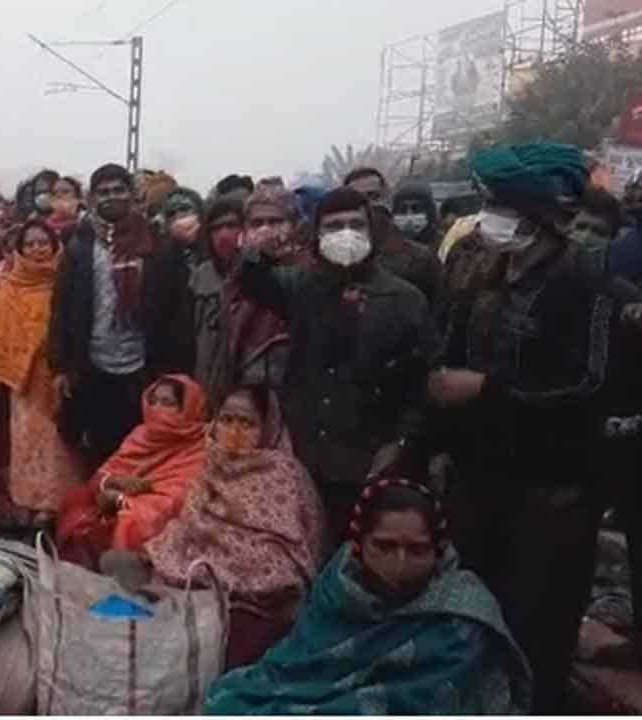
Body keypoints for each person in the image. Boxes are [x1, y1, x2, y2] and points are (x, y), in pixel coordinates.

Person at [431, 142, 633, 712]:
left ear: (538, 218)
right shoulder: (487, 275)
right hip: (480, 476)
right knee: (475, 612)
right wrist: (442, 443)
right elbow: (454, 353)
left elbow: (589, 386)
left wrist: (488, 392)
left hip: (553, 492)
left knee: (536, 630)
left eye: (501, 207)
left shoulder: (589, 287)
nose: (489, 218)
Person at [205, 479, 531, 715]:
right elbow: (299, 663)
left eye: (417, 550)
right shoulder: (339, 588)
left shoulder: (461, 619)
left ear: (438, 550)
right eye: (385, 546)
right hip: (312, 695)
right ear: (360, 546)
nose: (399, 563)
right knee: (227, 699)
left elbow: (427, 700)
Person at [238, 187, 439, 541]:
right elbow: (253, 283)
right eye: (334, 226)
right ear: (316, 234)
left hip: (370, 458)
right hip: (306, 453)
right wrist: (262, 253)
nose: (346, 234)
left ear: (371, 231)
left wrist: (402, 443)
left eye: (355, 224)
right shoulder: (300, 286)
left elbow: (421, 385)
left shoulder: (405, 300)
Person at [143, 385, 324, 668]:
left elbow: (292, 548)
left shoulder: (284, 473)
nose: (234, 431)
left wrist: (231, 552)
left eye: (247, 423)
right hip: (200, 569)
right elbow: (192, 520)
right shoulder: (211, 463)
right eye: (227, 420)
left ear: (268, 429)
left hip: (259, 592)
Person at [50, 163, 190, 467]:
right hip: (93, 362)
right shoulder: (79, 245)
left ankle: (134, 512)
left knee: (141, 448)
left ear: (131, 195)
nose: (111, 197)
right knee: (99, 448)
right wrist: (61, 365)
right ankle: (107, 508)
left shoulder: (157, 245)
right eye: (103, 192)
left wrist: (171, 368)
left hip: (144, 362)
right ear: (91, 199)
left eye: (119, 190)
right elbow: (62, 305)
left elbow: (176, 309)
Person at [0, 220, 84, 524]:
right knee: (25, 438)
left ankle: (56, 503)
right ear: (20, 250)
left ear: (54, 245)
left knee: (57, 439)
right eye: (30, 244)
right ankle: (25, 500)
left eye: (43, 242)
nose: (37, 249)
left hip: (57, 373)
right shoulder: (10, 285)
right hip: (21, 377)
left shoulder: (67, 280)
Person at [56, 375, 208, 568]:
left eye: (167, 403)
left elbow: (176, 499)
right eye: (153, 402)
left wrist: (120, 500)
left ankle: (125, 575)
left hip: (149, 512)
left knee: (131, 520)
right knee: (75, 500)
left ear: (187, 409)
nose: (157, 410)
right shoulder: (141, 435)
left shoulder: (198, 447)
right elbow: (102, 475)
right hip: (116, 499)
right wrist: (113, 482)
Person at [203, 187, 305, 404]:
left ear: (294, 226)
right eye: (256, 223)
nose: (265, 230)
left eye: (275, 221)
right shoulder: (238, 278)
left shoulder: (306, 276)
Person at [345, 168, 443, 307]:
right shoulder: (333, 258)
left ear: (387, 200)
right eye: (356, 199)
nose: (367, 205)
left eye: (374, 196)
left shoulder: (419, 258)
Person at [390, 180, 442, 254]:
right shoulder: (388, 246)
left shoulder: (443, 244)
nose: (409, 215)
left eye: (416, 209)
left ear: (429, 212)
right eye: (403, 210)